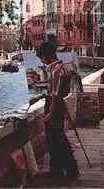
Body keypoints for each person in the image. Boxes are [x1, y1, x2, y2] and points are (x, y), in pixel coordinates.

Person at [29, 42, 80, 183]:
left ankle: (59, 173)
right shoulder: (63, 67)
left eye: (41, 58)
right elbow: (52, 92)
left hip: (54, 106)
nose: (41, 61)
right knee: (59, 139)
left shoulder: (55, 72)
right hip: (58, 105)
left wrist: (50, 112)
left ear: (47, 57)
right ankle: (65, 170)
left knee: (54, 141)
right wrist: (38, 97)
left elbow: (54, 95)